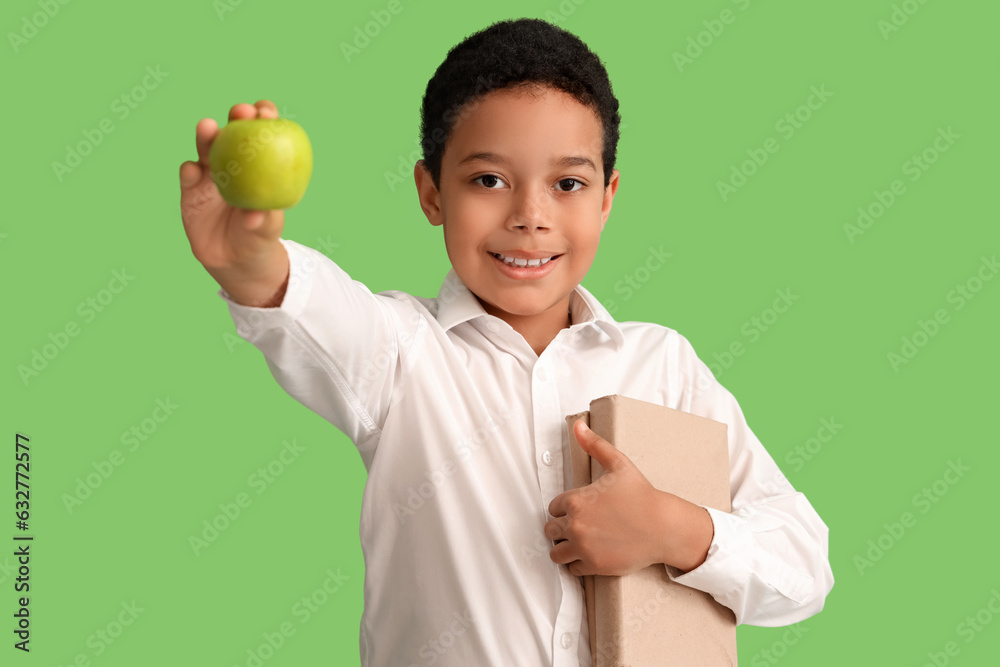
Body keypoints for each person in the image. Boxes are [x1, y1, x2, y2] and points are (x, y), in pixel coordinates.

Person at [178, 17, 833, 667]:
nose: (530, 215)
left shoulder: (662, 364)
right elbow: (316, 312)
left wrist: (671, 528)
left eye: (568, 184)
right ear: (432, 193)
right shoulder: (401, 354)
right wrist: (249, 261)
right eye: (488, 180)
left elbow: (803, 568)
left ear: (608, 196)